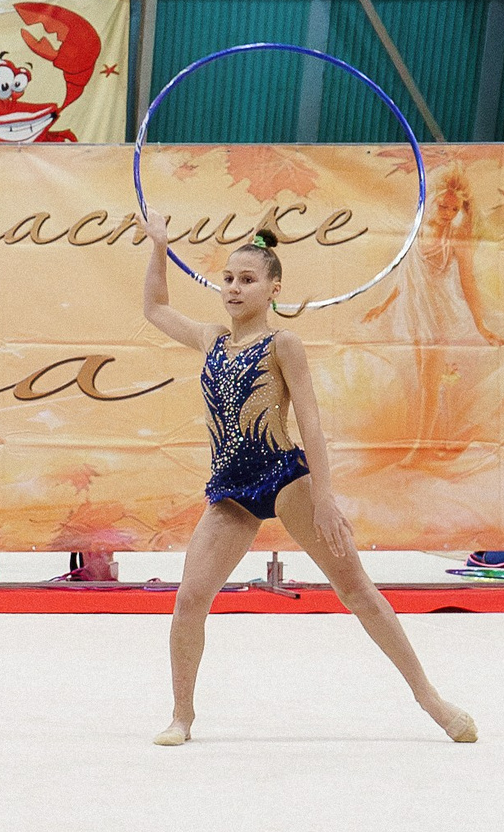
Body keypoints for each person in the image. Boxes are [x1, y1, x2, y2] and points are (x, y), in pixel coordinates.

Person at [139, 210, 475, 747]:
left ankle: (431, 699)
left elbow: (312, 423)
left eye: (248, 279)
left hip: (285, 476)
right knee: (189, 600)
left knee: (356, 589)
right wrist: (157, 246)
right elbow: (155, 306)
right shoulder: (210, 340)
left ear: (273, 288)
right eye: (228, 277)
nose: (234, 287)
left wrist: (324, 498)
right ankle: (182, 716)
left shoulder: (281, 345)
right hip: (230, 490)